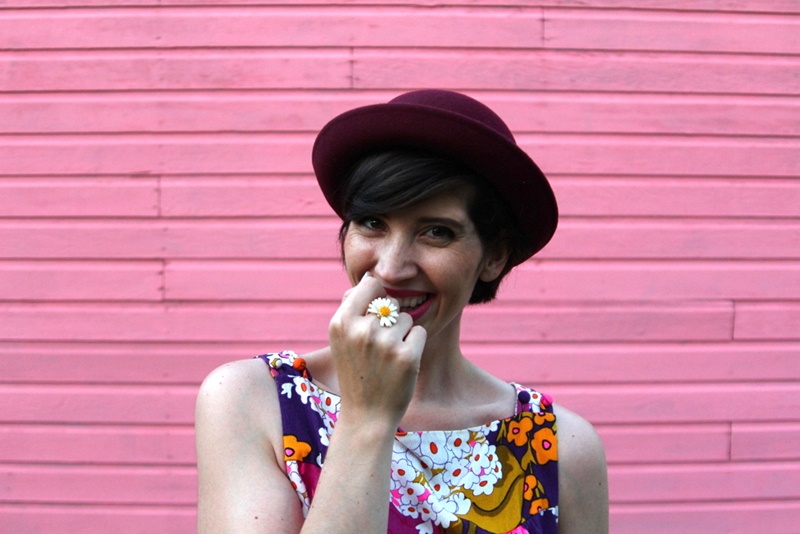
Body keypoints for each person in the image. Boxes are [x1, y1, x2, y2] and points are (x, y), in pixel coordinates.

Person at [195, 89, 608, 533]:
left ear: (494, 256)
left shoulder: (560, 447)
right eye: (373, 223)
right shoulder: (253, 400)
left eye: (436, 232)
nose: (391, 267)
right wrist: (366, 420)